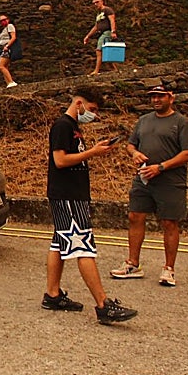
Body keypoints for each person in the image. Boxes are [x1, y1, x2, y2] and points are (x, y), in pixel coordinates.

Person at [41, 91, 137, 325]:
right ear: (79, 103)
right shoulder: (63, 126)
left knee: (59, 243)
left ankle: (53, 295)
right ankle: (103, 305)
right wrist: (92, 152)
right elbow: (60, 160)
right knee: (82, 245)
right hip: (68, 196)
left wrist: (92, 151)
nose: (93, 114)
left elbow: (73, 157)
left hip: (73, 195)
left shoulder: (73, 127)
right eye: (92, 109)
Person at [111, 82, 188, 287]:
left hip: (170, 181)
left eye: (160, 96)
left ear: (171, 98)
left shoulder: (181, 123)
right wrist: (134, 154)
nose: (155, 100)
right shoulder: (143, 121)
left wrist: (161, 167)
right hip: (143, 178)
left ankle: (169, 269)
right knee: (135, 216)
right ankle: (133, 263)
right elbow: (130, 144)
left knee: (169, 222)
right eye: (152, 96)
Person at [82, 0, 119, 76]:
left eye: (97, 2)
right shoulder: (99, 14)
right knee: (106, 52)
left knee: (99, 50)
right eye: (94, 3)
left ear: (102, 1)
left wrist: (113, 31)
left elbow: (112, 20)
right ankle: (116, 70)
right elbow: (96, 27)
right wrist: (88, 36)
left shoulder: (107, 10)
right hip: (102, 32)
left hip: (107, 32)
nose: (96, 4)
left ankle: (96, 71)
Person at [0, 14, 19, 89]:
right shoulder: (3, 30)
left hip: (7, 48)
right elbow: (1, 42)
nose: (3, 22)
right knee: (5, 67)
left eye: (4, 20)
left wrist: (7, 46)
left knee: (1, 66)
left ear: (8, 19)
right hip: (2, 49)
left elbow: (13, 37)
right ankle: (8, 83)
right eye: (1, 21)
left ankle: (11, 82)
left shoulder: (10, 26)